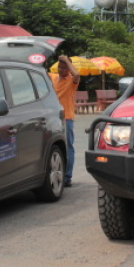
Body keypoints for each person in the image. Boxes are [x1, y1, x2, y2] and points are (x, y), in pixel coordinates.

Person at [51, 55, 80, 187]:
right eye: (59, 67)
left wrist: (68, 62)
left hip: (66, 118)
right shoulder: (53, 77)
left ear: (68, 69)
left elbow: (77, 74)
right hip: (53, 118)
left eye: (64, 67)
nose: (61, 70)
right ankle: (58, 173)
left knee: (68, 148)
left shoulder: (71, 80)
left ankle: (67, 177)